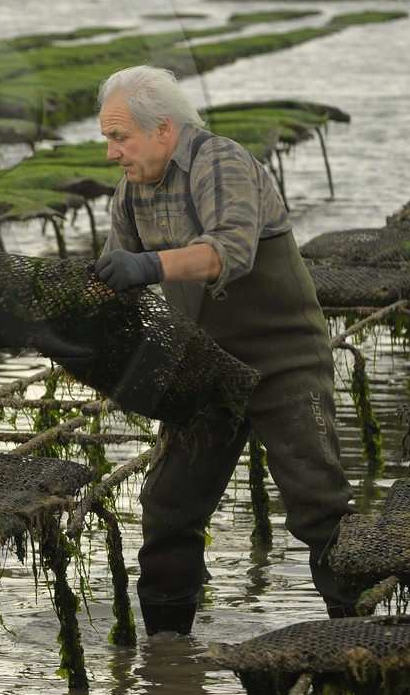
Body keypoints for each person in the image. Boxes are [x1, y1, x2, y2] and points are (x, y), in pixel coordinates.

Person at [90, 64, 356, 637]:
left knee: (317, 504)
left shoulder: (222, 162)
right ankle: (167, 657)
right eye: (109, 140)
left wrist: (150, 265)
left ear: (163, 129)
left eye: (120, 138)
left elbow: (228, 251)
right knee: (168, 509)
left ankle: (355, 636)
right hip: (204, 368)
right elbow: (116, 280)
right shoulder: (131, 193)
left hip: (281, 361)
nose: (112, 153)